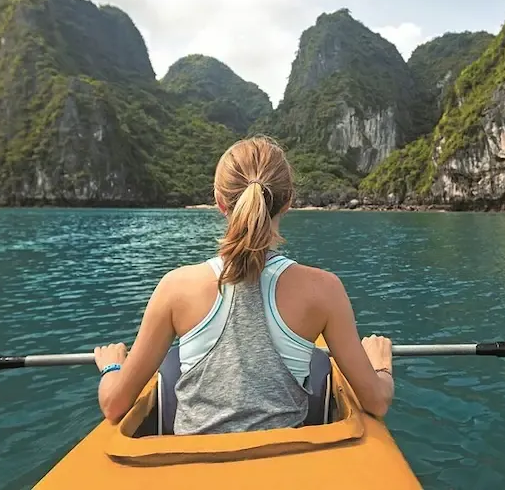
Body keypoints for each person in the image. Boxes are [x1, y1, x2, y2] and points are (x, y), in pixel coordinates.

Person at [93, 135, 394, 434]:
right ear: (288, 200)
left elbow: (114, 405)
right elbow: (376, 402)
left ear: (220, 203)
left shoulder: (176, 287)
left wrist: (112, 368)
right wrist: (380, 365)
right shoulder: (324, 290)